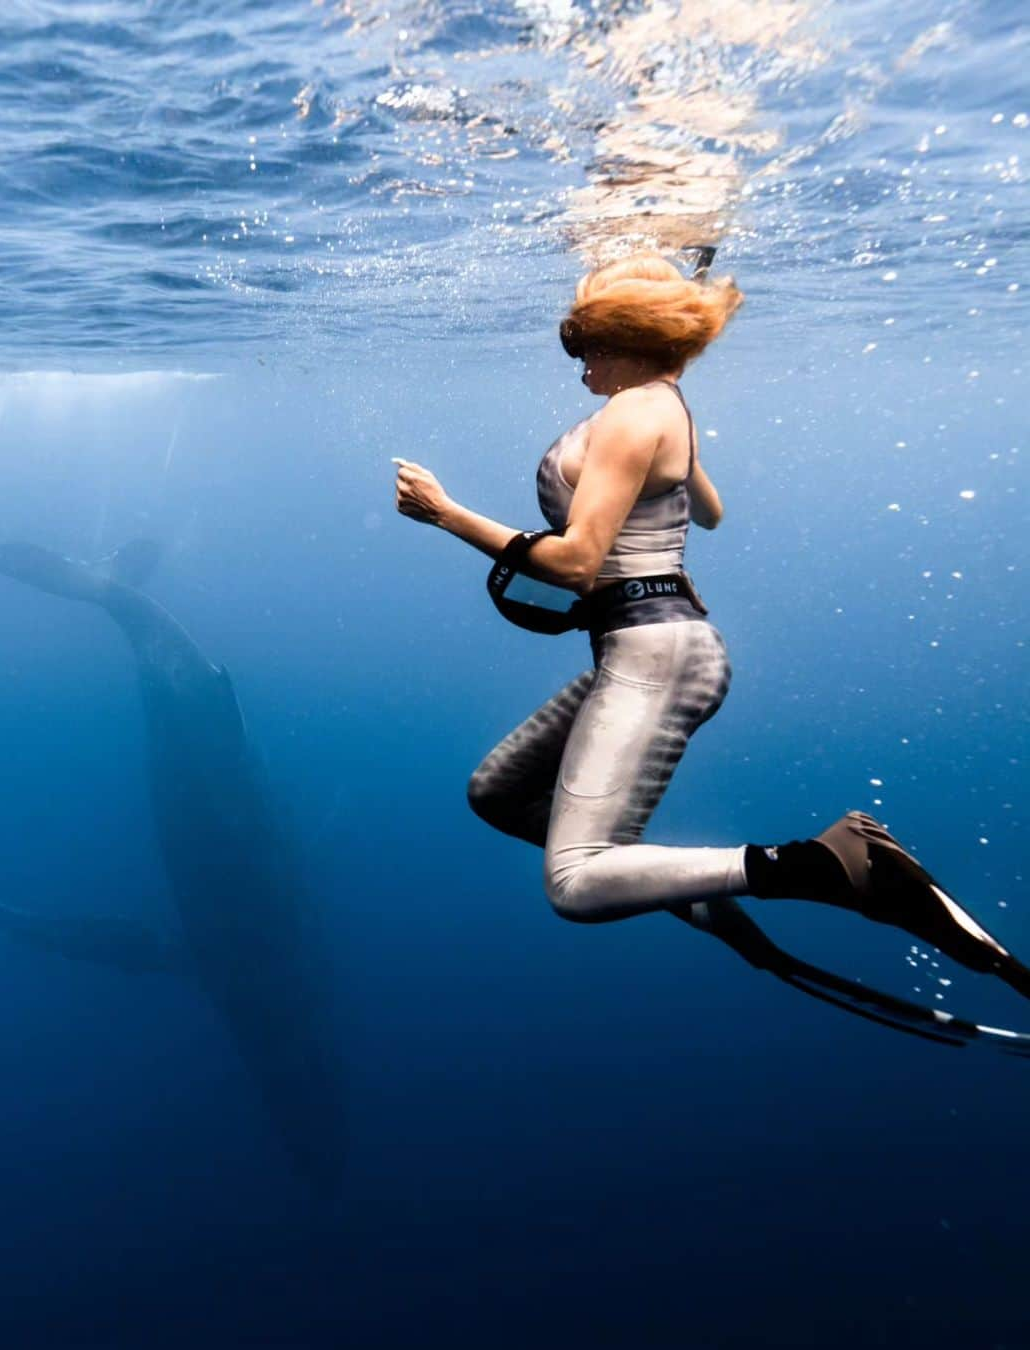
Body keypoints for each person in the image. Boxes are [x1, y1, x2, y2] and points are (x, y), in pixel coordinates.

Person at [393, 251, 1029, 1001]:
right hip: (645, 645)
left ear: (631, 340)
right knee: (498, 792)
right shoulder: (658, 408)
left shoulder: (634, 414)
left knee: (573, 884)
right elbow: (711, 511)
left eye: (586, 346)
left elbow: (575, 563)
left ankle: (822, 865)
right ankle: (689, 893)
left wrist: (447, 515)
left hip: (655, 654)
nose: (579, 365)